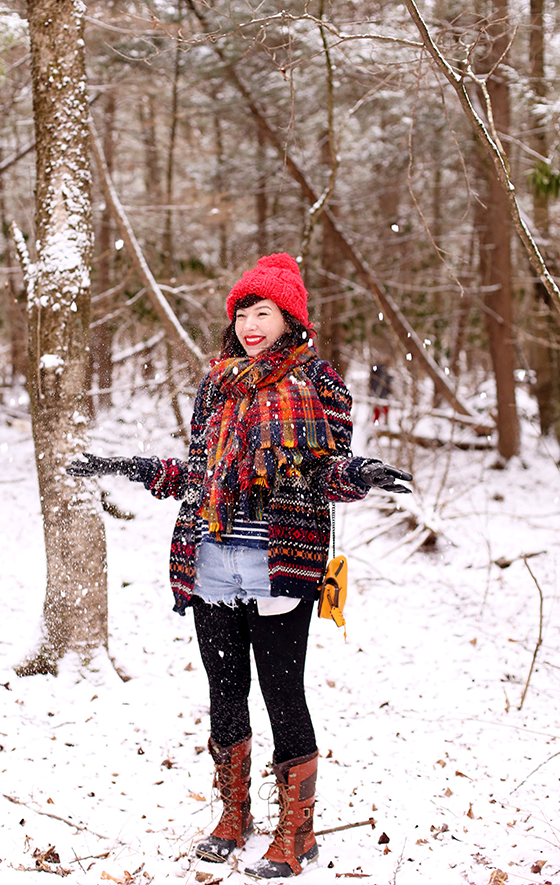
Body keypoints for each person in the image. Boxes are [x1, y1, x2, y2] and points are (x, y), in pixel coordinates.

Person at [67, 253, 412, 879]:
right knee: (224, 692)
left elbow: (321, 471)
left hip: (278, 562)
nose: (251, 325)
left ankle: (296, 833)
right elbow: (199, 474)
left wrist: (359, 475)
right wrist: (132, 467)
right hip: (211, 560)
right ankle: (233, 814)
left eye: (264, 312)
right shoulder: (217, 384)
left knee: (283, 692)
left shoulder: (319, 382)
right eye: (243, 314)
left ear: (289, 318)